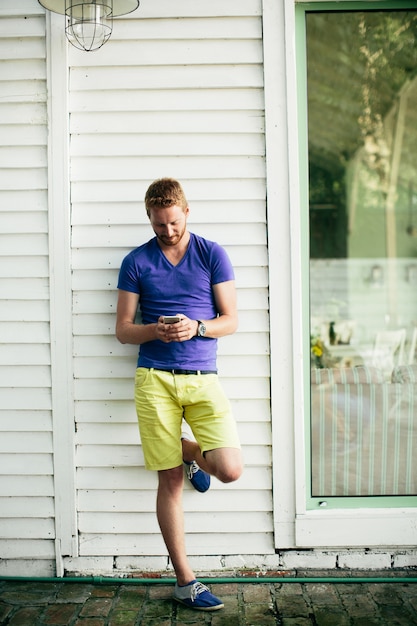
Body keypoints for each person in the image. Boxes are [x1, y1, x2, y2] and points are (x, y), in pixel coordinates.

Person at [115, 177, 243, 611]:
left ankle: (190, 451)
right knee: (167, 478)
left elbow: (231, 319)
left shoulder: (212, 254)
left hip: (202, 376)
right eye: (158, 224)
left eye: (172, 222)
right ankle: (185, 581)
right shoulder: (136, 261)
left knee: (229, 469)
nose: (167, 231)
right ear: (149, 217)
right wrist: (156, 330)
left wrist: (198, 326)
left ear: (186, 211)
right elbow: (123, 331)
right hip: (153, 378)